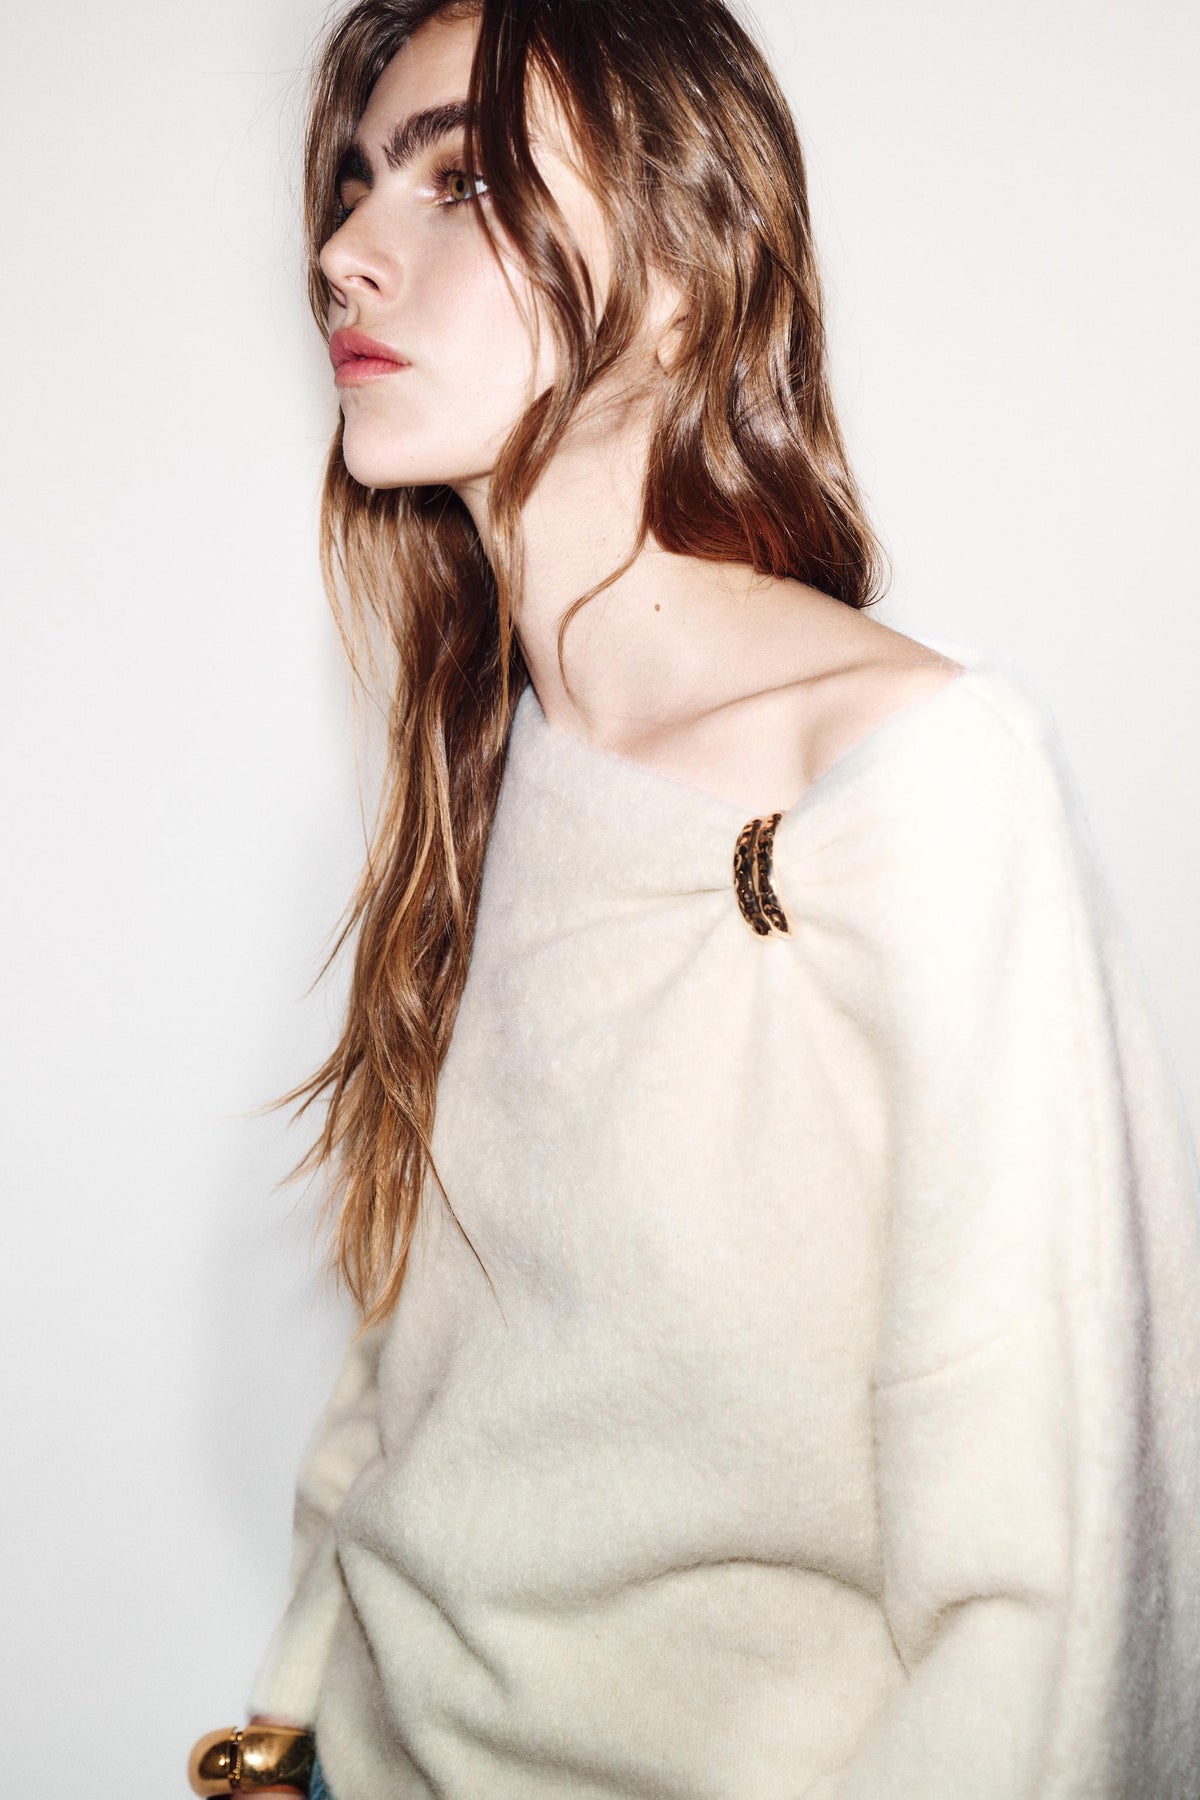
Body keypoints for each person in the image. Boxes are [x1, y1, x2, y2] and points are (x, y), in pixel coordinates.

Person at [187, 0, 1200, 1795]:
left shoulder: (912, 780)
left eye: (461, 180)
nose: (343, 251)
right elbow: (424, 1356)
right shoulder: (491, 760)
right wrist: (283, 1726)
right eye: (350, 185)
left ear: (679, 258)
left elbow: (1055, 1611)